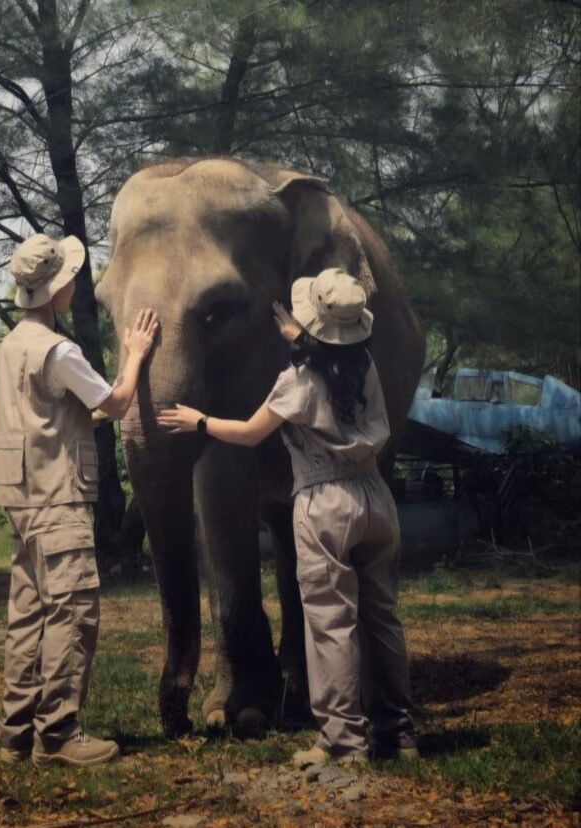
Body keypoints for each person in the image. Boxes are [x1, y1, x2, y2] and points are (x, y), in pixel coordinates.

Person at [157, 268, 416, 767]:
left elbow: (252, 433)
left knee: (331, 624)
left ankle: (342, 740)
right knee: (382, 620)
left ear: (313, 327)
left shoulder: (295, 383)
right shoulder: (365, 367)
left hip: (325, 503)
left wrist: (201, 421)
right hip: (376, 499)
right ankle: (398, 734)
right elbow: (333, 362)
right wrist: (303, 336)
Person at [0, 233, 158, 767]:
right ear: (58, 288)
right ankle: (59, 735)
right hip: (57, 500)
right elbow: (114, 403)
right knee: (72, 612)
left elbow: (45, 417)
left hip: (22, 499)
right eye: (69, 278)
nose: (74, 284)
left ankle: (16, 734)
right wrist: (134, 356)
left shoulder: (14, 344)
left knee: (28, 615)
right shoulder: (58, 350)